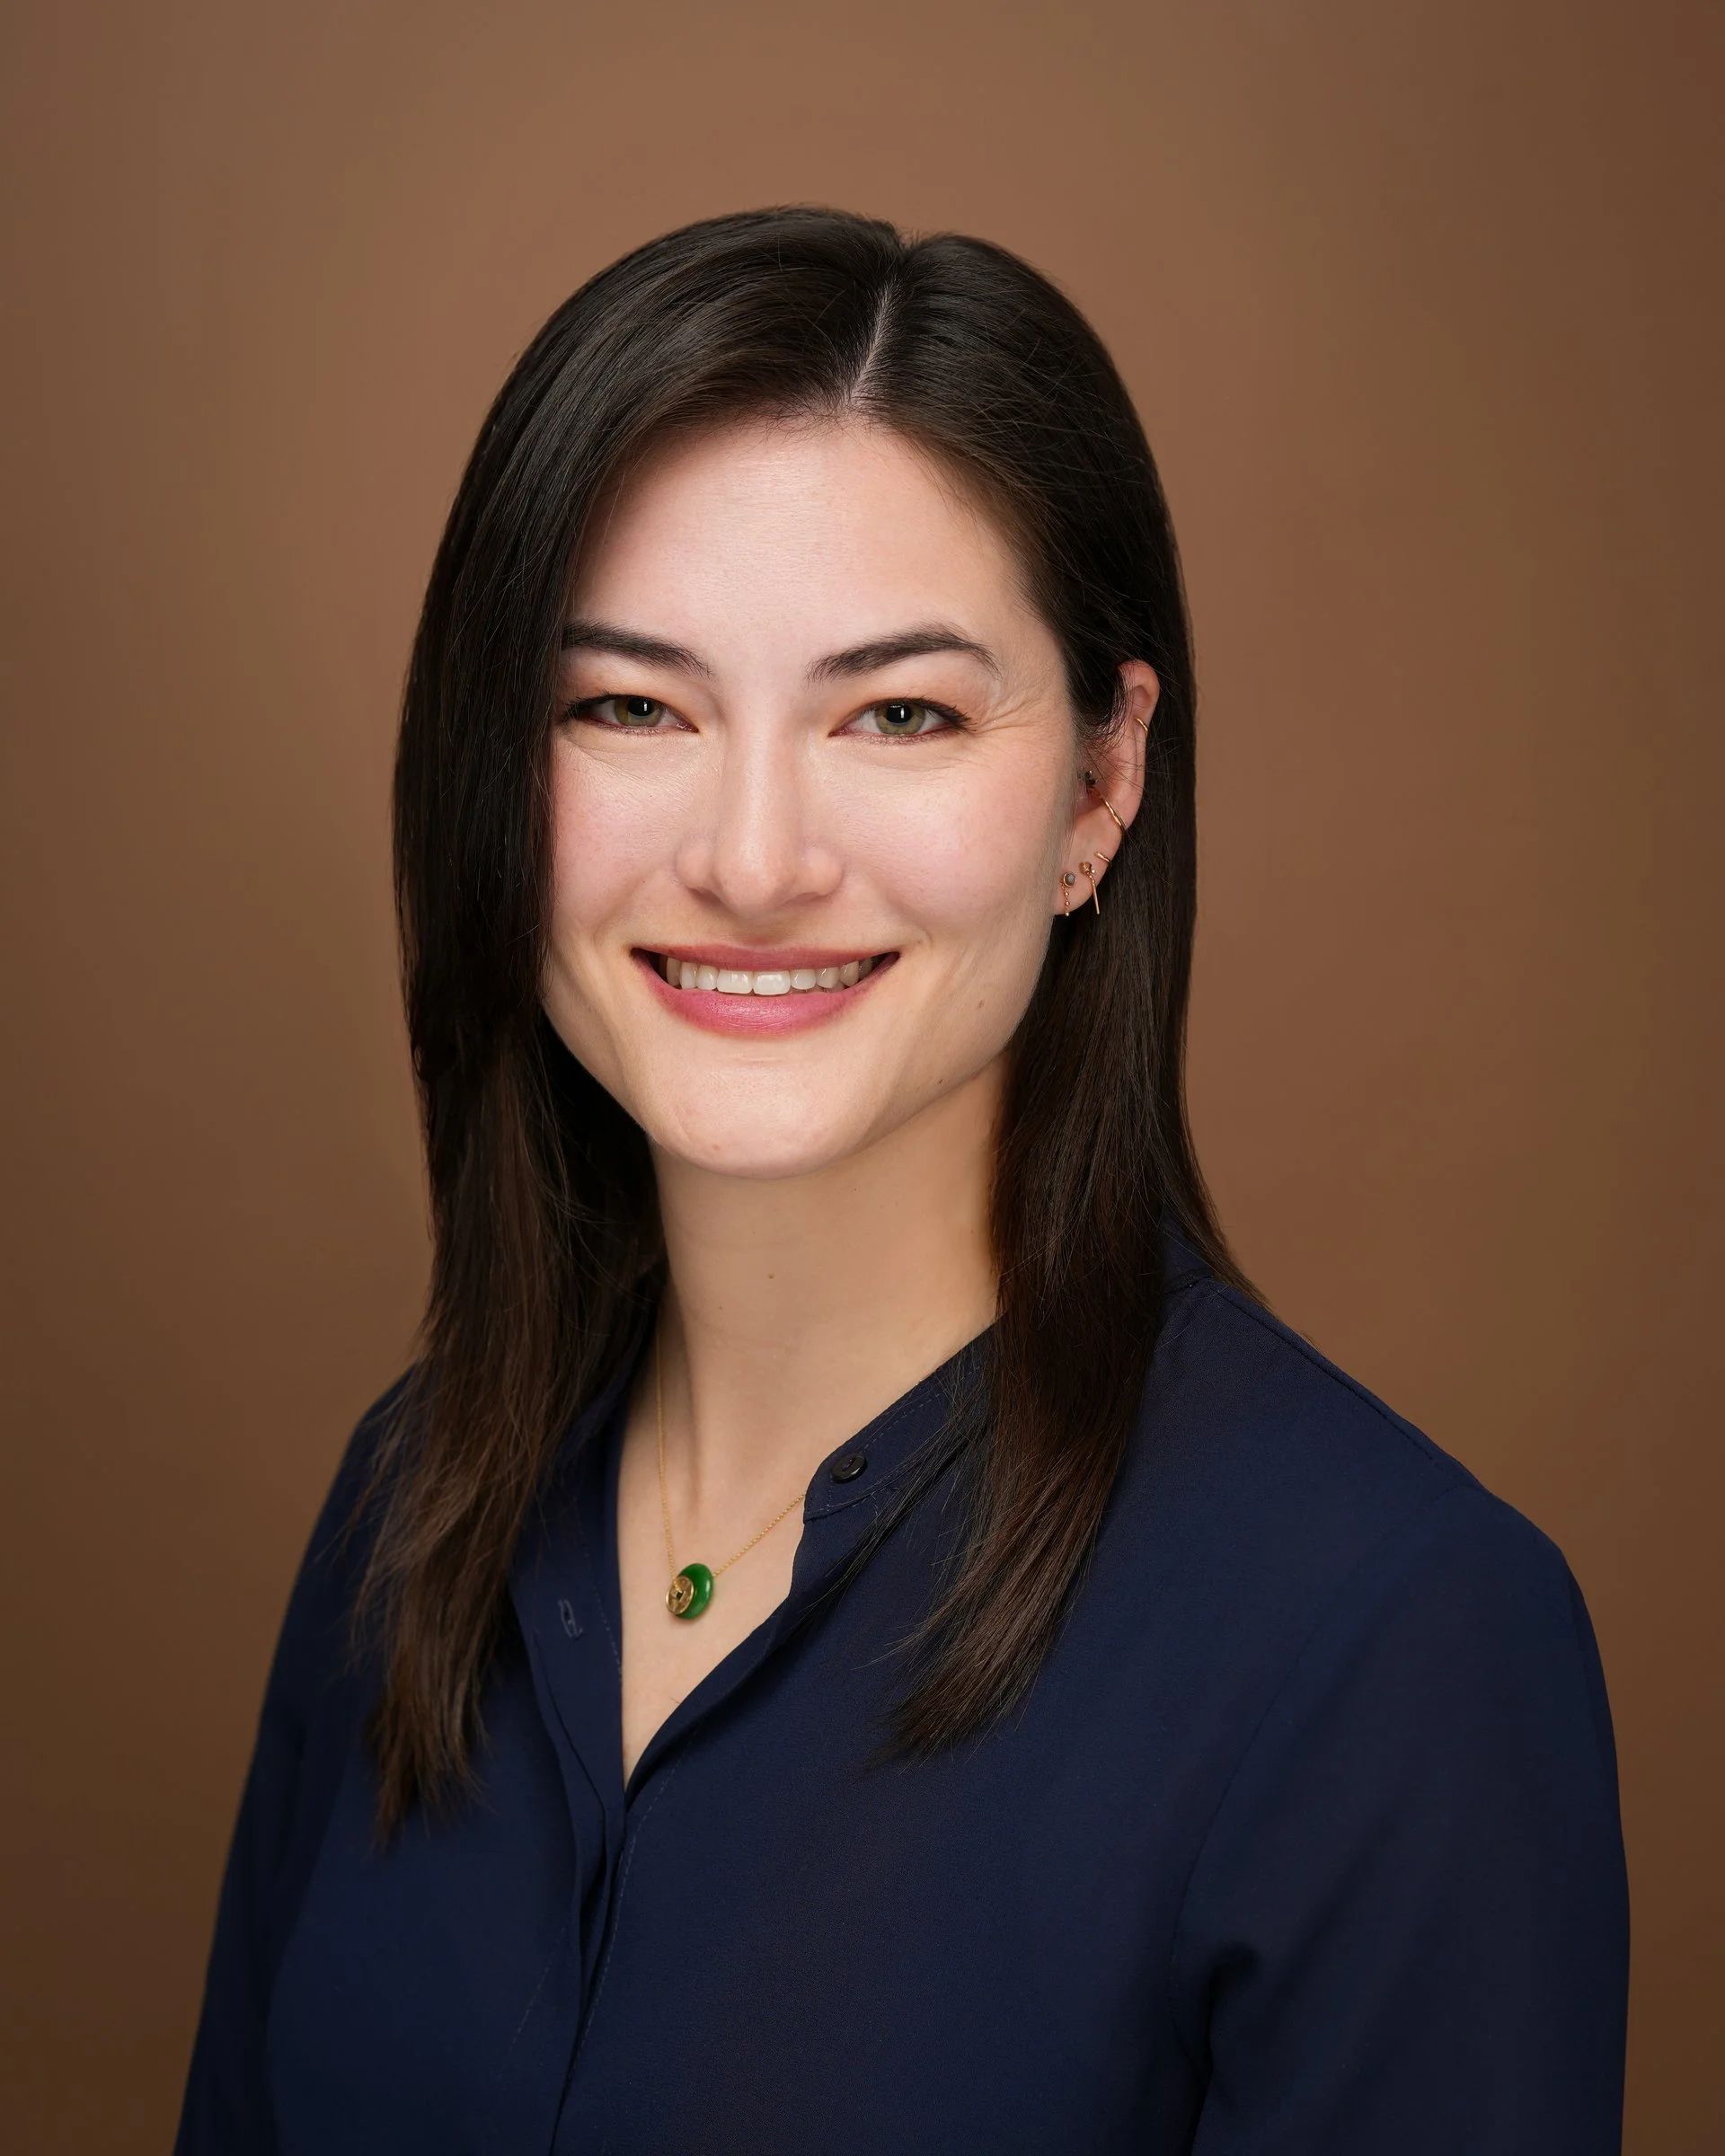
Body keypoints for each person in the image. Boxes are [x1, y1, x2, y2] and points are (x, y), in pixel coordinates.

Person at [172, 206, 1630, 2154]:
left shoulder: (1396, 1647)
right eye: (629, 707)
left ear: (1101, 790)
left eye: (902, 715)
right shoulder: (408, 1510)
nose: (756, 854)